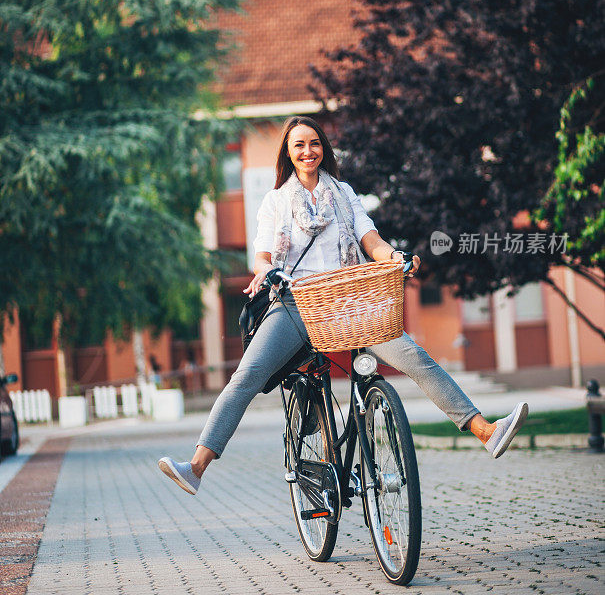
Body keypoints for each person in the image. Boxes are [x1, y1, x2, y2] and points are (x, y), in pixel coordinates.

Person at [159, 116, 528, 496]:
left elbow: (371, 240)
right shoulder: (274, 201)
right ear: (288, 152)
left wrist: (394, 257)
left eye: (314, 143)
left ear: (324, 149)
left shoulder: (345, 193)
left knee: (414, 356)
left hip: (352, 303)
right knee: (246, 375)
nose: (308, 151)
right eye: (299, 144)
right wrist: (268, 271)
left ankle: (486, 431)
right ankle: (197, 467)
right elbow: (262, 257)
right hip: (295, 304)